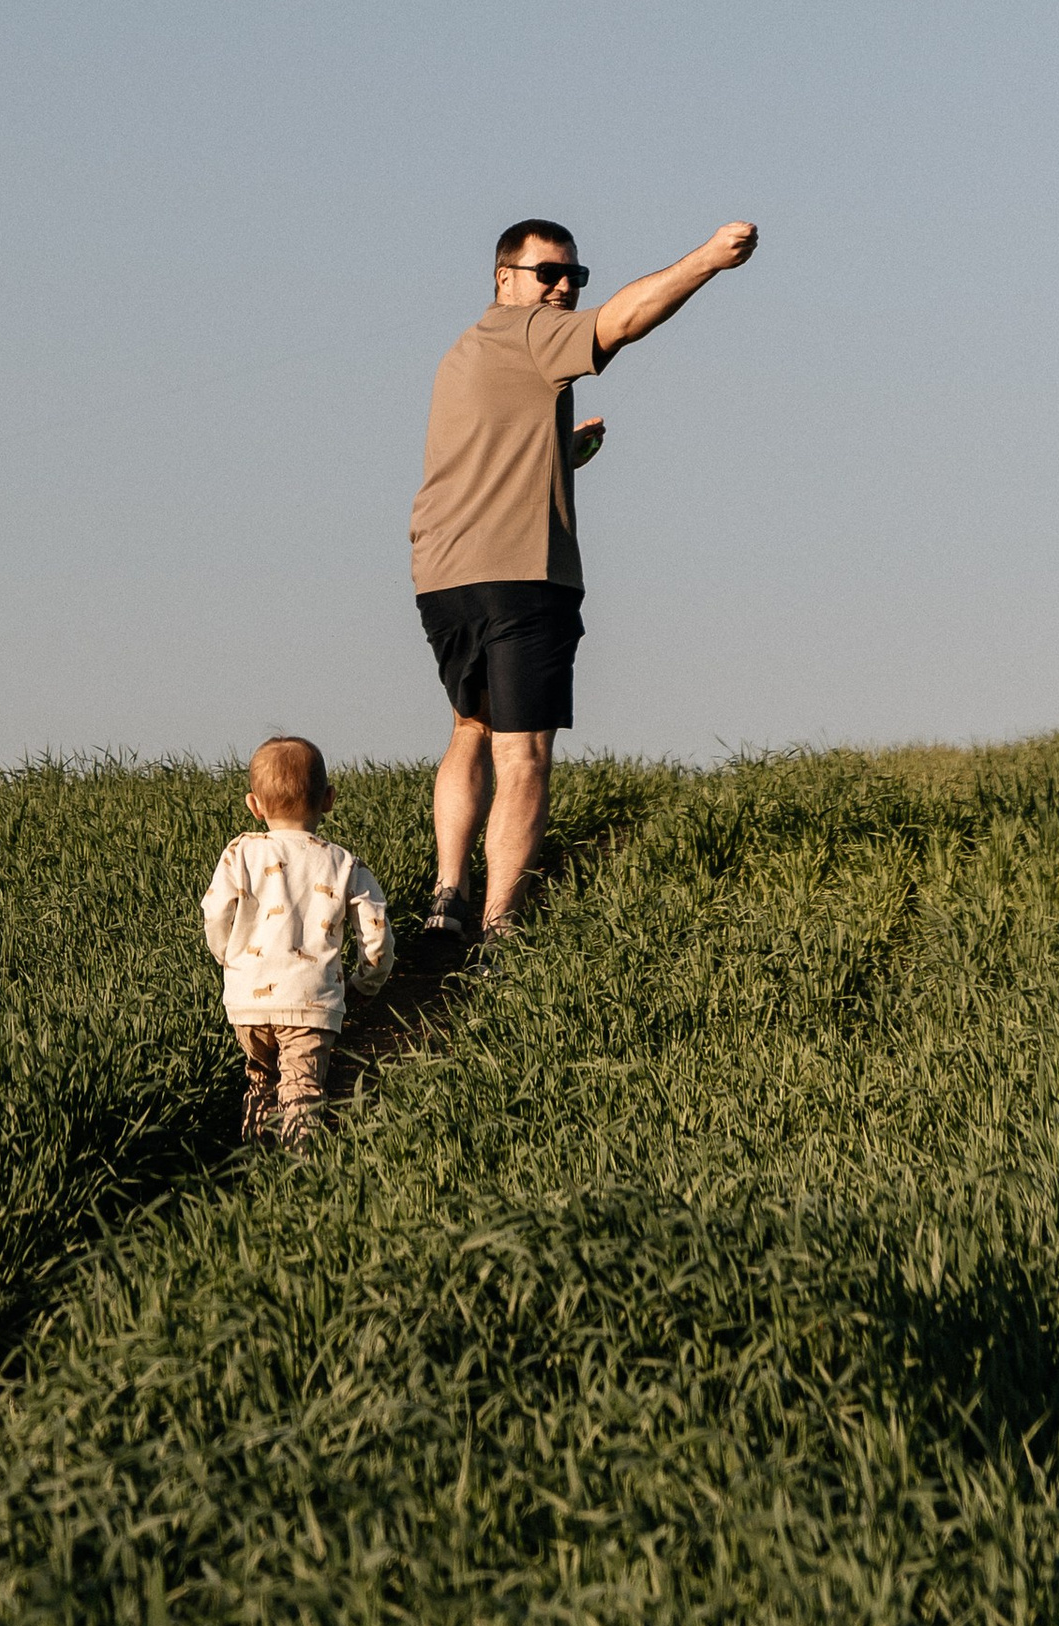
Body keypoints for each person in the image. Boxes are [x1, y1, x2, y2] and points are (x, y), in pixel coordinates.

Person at [410, 212, 758, 940]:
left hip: (444, 577)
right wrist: (708, 260)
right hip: (522, 575)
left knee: (470, 727)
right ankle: (503, 927)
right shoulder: (532, 332)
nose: (565, 287)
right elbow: (624, 321)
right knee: (525, 749)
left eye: (575, 276)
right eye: (549, 274)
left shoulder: (466, 352)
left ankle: (447, 895)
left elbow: (480, 461)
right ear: (505, 280)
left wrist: (559, 454)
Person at [200, 735, 395, 1150]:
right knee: (302, 1086)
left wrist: (229, 960)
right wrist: (365, 983)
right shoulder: (344, 864)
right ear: (329, 799)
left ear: (254, 805)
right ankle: (299, 1166)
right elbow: (375, 934)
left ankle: (256, 1157)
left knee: (260, 1079)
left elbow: (215, 913)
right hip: (310, 1002)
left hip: (247, 1003)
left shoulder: (240, 853)